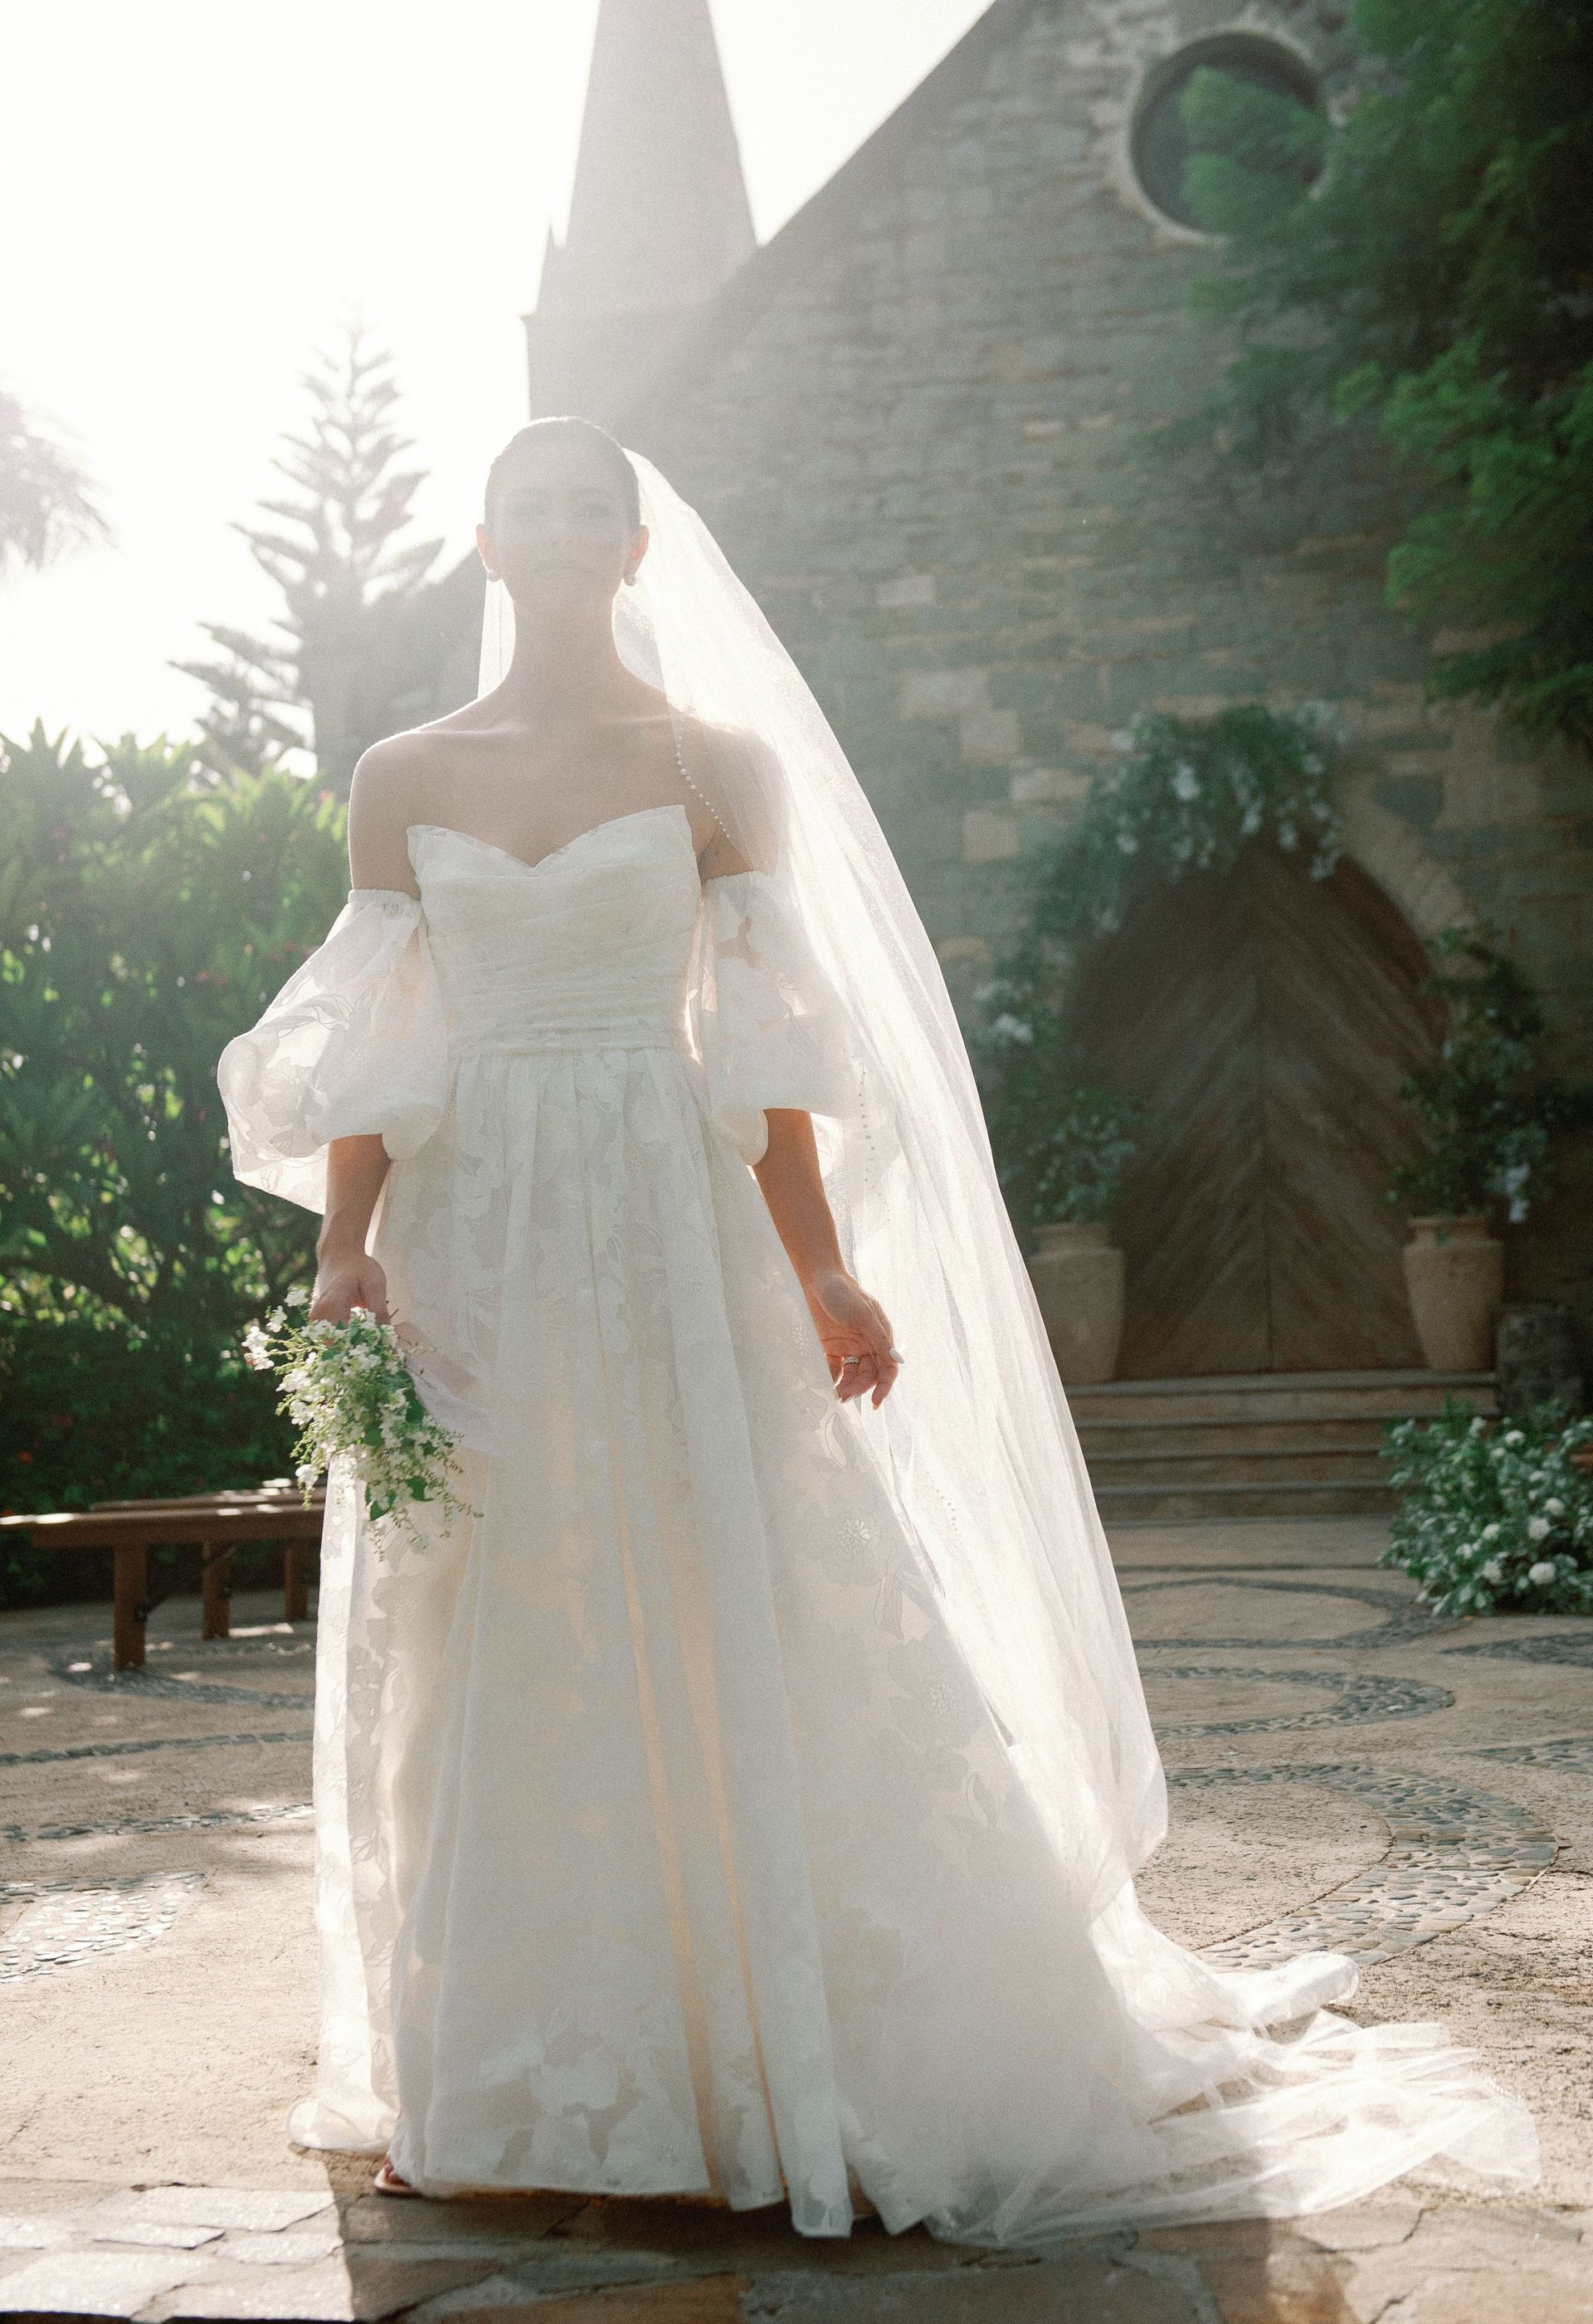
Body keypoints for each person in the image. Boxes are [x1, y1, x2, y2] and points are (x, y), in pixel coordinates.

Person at [217, 417, 1537, 2244]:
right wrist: (345, 1251)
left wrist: (826, 1270)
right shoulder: (400, 772)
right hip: (481, 1234)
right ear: (486, 540)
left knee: (708, 1573)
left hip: (670, 1221)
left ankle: (758, 2054)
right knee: (500, 1604)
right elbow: (386, 1045)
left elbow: (758, 1056)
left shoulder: (715, 763)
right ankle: (513, 2070)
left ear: (631, 548)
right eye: (530, 501)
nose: (561, 525)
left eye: (591, 503)